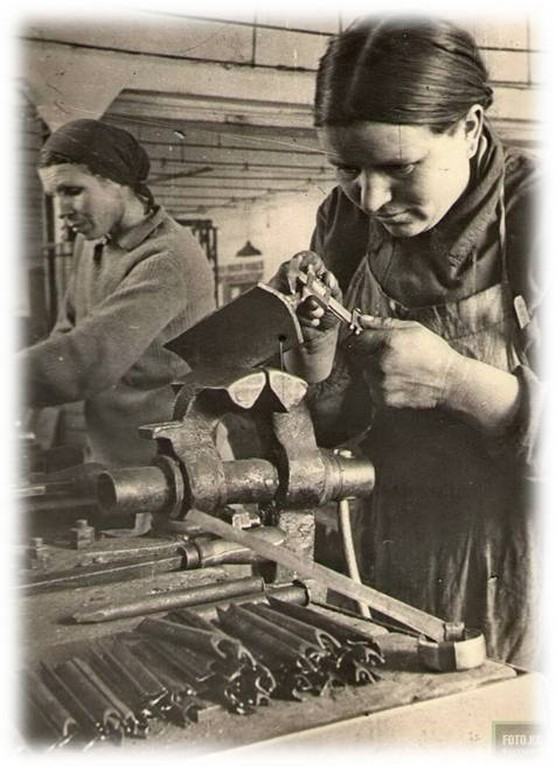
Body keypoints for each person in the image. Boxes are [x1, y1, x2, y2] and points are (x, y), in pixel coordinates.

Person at [272, 16, 543, 669]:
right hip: (381, 544)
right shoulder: (344, 218)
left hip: (516, 567)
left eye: (400, 166)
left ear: (470, 127)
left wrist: (455, 382)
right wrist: (313, 349)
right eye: (347, 167)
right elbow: (332, 419)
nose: (370, 197)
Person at [18, 119, 215, 468]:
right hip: (109, 459)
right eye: (55, 196)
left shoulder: (167, 257)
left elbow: (88, 361)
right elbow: (67, 333)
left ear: (116, 180)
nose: (61, 211)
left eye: (72, 190)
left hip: (174, 466)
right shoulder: (92, 243)